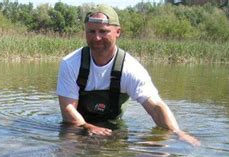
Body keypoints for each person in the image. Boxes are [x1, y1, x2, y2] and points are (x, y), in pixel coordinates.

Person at [56, 4, 200, 146]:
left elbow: (155, 107)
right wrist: (88, 127)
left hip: (114, 130)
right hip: (76, 127)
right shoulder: (70, 63)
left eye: (103, 31)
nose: (97, 38)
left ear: (117, 32)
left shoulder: (130, 68)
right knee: (68, 151)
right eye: (91, 32)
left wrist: (177, 132)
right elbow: (68, 109)